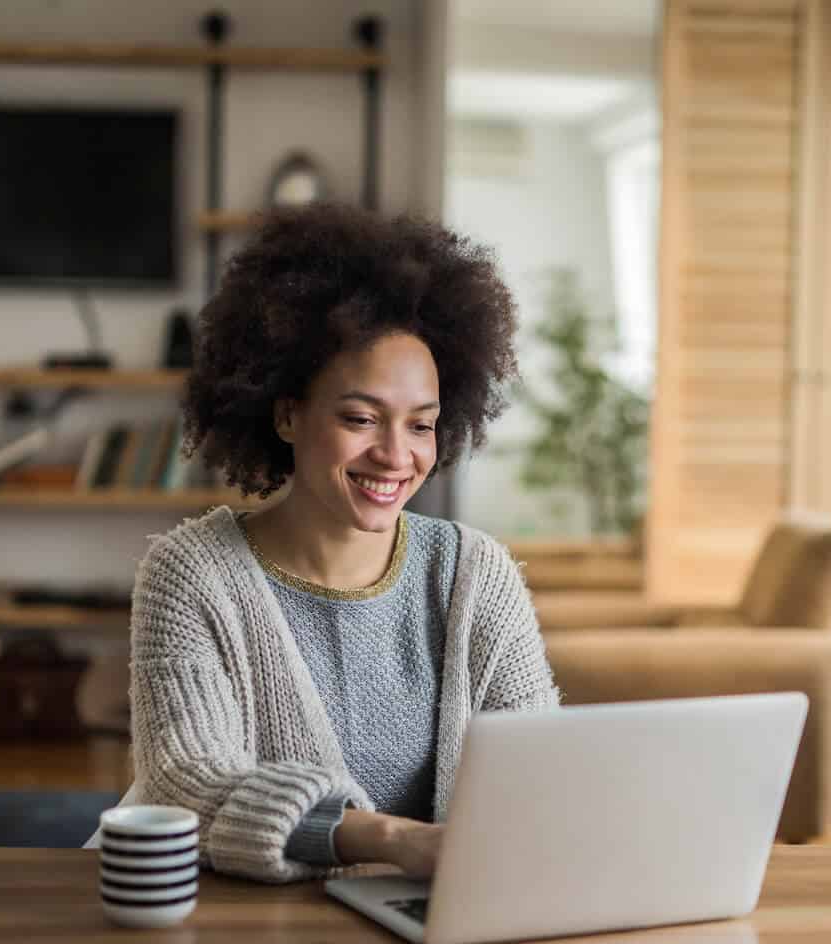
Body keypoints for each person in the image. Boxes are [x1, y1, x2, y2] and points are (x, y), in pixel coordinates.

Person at [93, 203, 560, 883]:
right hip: (244, 926)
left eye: (421, 425)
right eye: (359, 418)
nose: (395, 456)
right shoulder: (190, 574)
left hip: (434, 920)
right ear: (286, 413)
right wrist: (393, 839)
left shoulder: (474, 573)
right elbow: (186, 782)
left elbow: (540, 767)